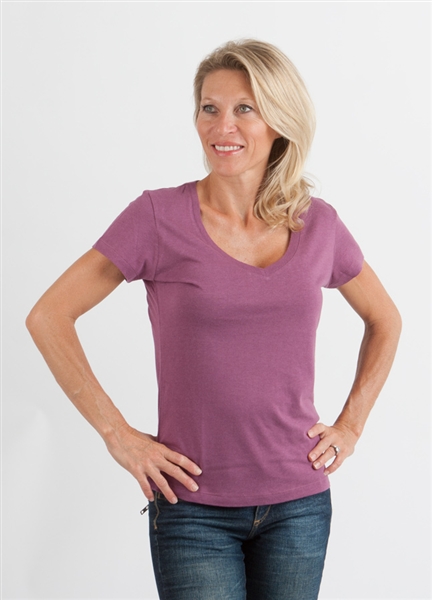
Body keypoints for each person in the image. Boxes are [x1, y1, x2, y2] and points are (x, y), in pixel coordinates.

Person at [26, 39, 401, 600]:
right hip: (192, 509)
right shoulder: (157, 217)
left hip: (299, 504)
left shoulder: (317, 224)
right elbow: (49, 316)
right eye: (210, 108)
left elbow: (386, 319)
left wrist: (351, 425)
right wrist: (117, 435)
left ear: (279, 120)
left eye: (245, 108)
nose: (222, 126)